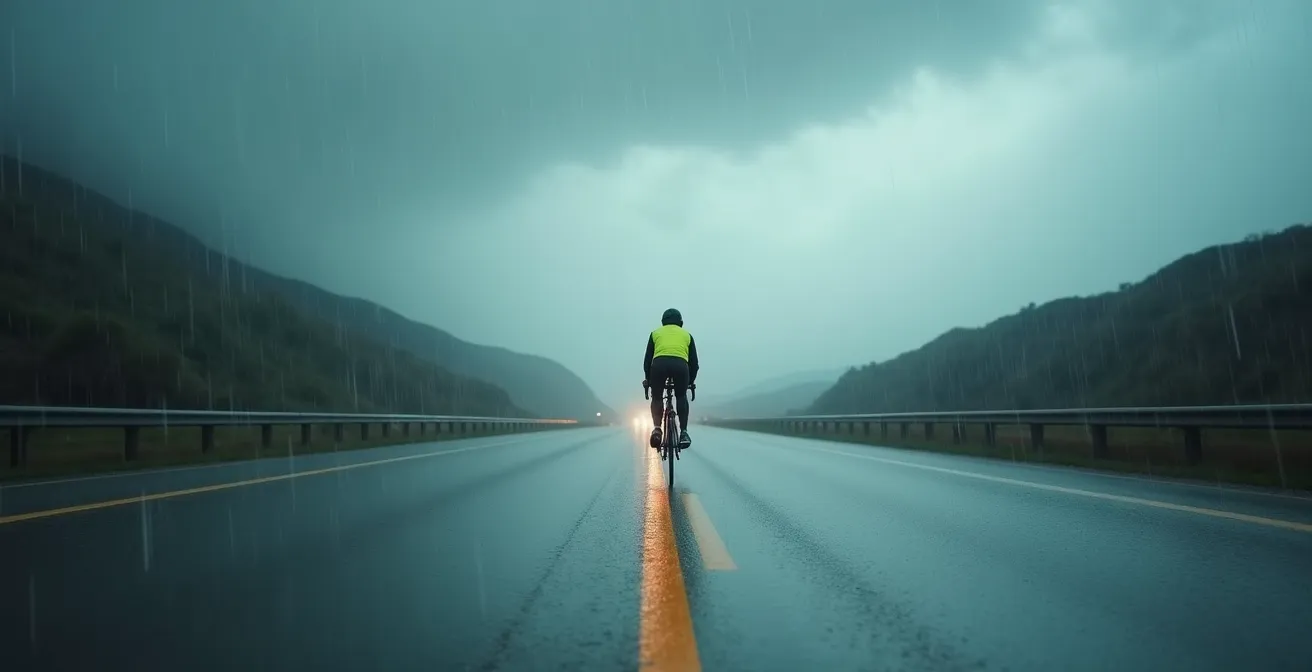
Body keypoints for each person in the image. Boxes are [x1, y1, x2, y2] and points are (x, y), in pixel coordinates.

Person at [643, 307, 699, 450]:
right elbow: (694, 364)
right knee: (681, 396)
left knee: (657, 397)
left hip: (659, 365)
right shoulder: (687, 335)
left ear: (663, 322)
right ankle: (684, 433)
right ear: (680, 322)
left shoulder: (655, 333)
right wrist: (690, 382)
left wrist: (648, 380)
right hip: (681, 366)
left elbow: (647, 361)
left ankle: (657, 429)